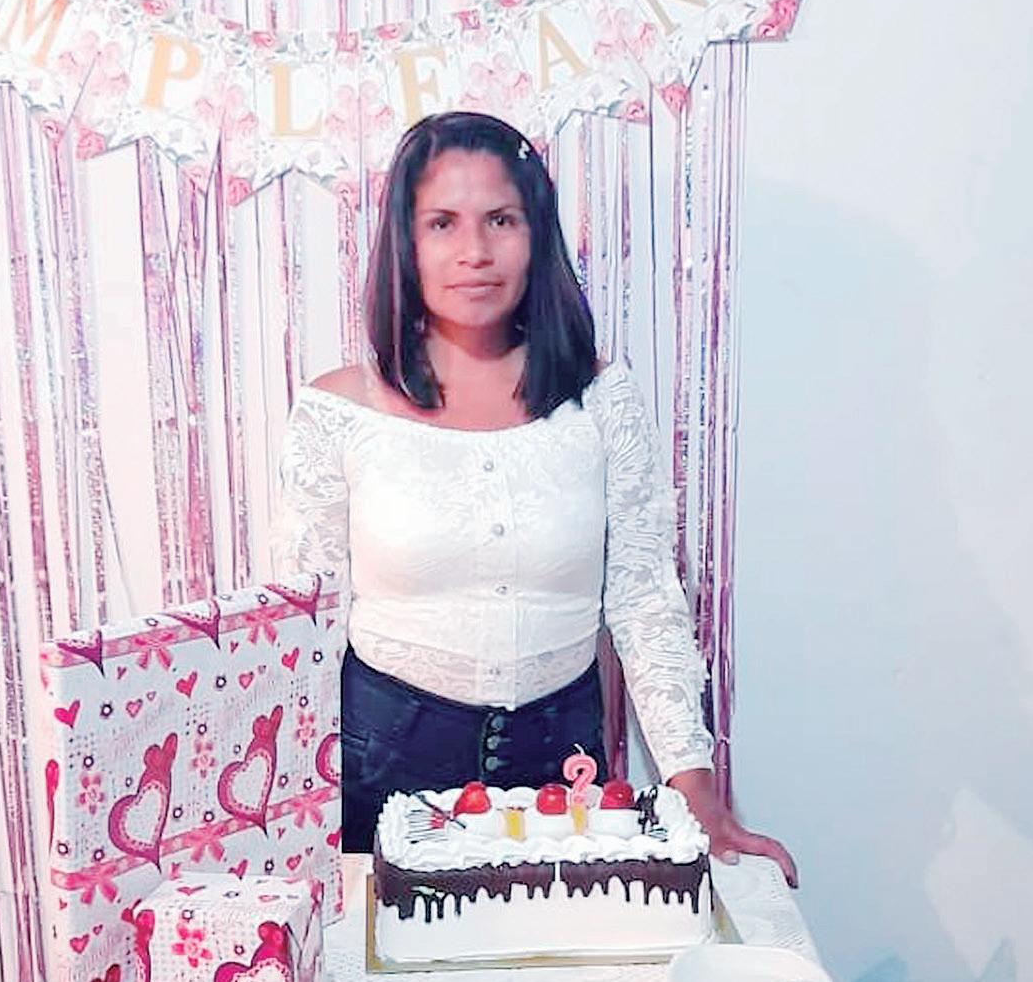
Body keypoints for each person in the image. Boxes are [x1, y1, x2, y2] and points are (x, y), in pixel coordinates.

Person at [274, 109, 796, 883]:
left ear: (535, 234)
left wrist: (700, 798)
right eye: (443, 223)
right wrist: (283, 830)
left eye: (501, 220)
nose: (475, 252)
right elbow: (301, 632)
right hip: (380, 768)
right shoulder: (338, 412)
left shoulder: (600, 400)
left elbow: (645, 600)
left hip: (566, 770)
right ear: (406, 243)